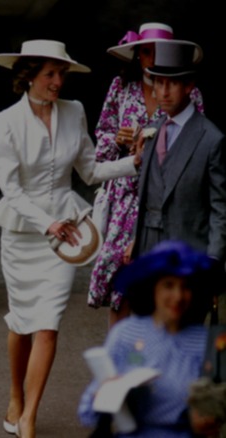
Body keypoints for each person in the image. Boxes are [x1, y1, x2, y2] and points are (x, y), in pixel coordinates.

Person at [0, 39, 141, 438]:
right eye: (50, 74)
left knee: (49, 324)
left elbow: (89, 171)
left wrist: (134, 163)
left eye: (62, 74)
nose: (58, 81)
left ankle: (30, 417)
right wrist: (45, 223)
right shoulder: (3, 122)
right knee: (22, 324)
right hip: (23, 235)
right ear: (29, 76)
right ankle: (15, 396)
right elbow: (11, 189)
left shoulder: (74, 112)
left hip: (67, 235)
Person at [88, 23, 204, 327]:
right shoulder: (121, 87)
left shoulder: (187, 92)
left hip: (166, 196)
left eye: (158, 52)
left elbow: (197, 144)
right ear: (137, 55)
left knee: (157, 277)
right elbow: (101, 138)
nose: (152, 59)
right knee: (120, 280)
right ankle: (118, 364)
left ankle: (155, 360)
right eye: (146, 52)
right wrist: (119, 140)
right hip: (124, 197)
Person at [78, 240, 223, 437]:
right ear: (152, 288)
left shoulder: (206, 341)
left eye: (185, 286)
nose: (178, 296)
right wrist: (105, 397)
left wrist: (208, 420)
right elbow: (87, 413)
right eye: (168, 285)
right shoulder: (125, 334)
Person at [127, 39, 226, 264]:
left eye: (171, 84)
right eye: (158, 83)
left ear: (189, 85)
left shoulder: (211, 139)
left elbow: (220, 207)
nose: (163, 92)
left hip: (188, 251)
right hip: (147, 250)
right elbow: (147, 195)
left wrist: (213, 257)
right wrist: (135, 239)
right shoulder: (151, 131)